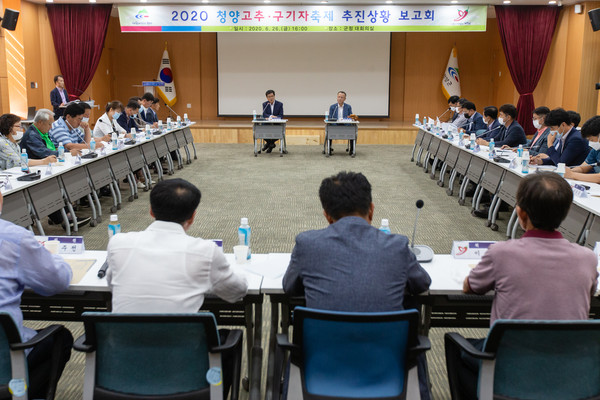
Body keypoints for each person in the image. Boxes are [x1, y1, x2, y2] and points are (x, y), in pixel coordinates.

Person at [447, 172, 598, 400]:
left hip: (511, 369)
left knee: (458, 348)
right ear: (566, 214)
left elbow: (471, 287)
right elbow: (589, 295)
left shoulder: (502, 253)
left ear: (520, 213)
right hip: (571, 370)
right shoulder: (588, 258)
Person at [283, 171, 432, 399]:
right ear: (371, 209)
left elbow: (289, 288)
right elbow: (422, 284)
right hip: (387, 372)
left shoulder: (307, 244)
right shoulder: (398, 246)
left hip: (321, 373)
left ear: (327, 215)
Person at [107, 178, 247, 398]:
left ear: (151, 211)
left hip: (122, 360)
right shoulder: (205, 251)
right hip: (183, 365)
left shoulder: (118, 243)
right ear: (192, 216)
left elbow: (111, 285)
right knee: (229, 338)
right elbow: (236, 293)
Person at [0, 190, 74, 399]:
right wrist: (55, 258)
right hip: (5, 357)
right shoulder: (13, 237)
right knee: (61, 337)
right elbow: (56, 281)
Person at [564, 116, 600, 182]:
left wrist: (572, 175)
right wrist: (568, 171)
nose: (590, 142)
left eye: (591, 139)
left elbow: (598, 178)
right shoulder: (596, 149)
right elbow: (583, 168)